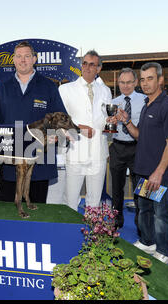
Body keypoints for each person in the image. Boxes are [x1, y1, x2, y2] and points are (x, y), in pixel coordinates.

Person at [0, 40, 67, 203]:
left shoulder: (48, 86)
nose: (22, 60)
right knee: (12, 212)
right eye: (18, 56)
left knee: (37, 211)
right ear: (14, 60)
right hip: (11, 160)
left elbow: (60, 118)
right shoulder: (3, 88)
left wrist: (57, 134)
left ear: (34, 59)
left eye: (27, 56)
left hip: (41, 160)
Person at [118, 62, 168, 264]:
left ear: (160, 80)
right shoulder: (147, 105)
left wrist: (159, 172)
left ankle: (163, 250)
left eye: (150, 78)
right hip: (142, 171)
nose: (145, 83)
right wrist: (127, 121)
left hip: (157, 174)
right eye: (142, 79)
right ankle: (148, 241)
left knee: (160, 213)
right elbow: (140, 136)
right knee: (144, 210)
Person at [58, 50, 112, 211]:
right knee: (70, 202)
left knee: (94, 202)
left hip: (98, 154)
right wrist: (79, 129)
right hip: (75, 153)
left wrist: (111, 121)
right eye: (85, 63)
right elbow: (58, 120)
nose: (87, 67)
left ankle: (92, 235)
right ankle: (69, 235)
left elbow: (105, 119)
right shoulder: (66, 89)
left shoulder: (106, 91)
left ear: (99, 69)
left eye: (92, 64)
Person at [108, 68, 146, 229]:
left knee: (140, 188)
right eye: (122, 82)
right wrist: (110, 122)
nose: (125, 85)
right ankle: (117, 220)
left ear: (135, 82)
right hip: (117, 147)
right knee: (116, 188)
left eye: (129, 82)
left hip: (138, 147)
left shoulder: (145, 100)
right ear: (118, 83)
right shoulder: (114, 102)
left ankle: (141, 222)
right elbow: (109, 127)